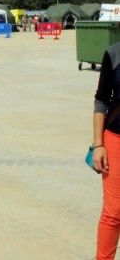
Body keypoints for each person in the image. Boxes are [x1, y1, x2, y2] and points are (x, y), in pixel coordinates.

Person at [92, 42, 120, 260]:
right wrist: (98, 144)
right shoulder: (114, 52)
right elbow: (101, 100)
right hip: (115, 140)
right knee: (113, 213)